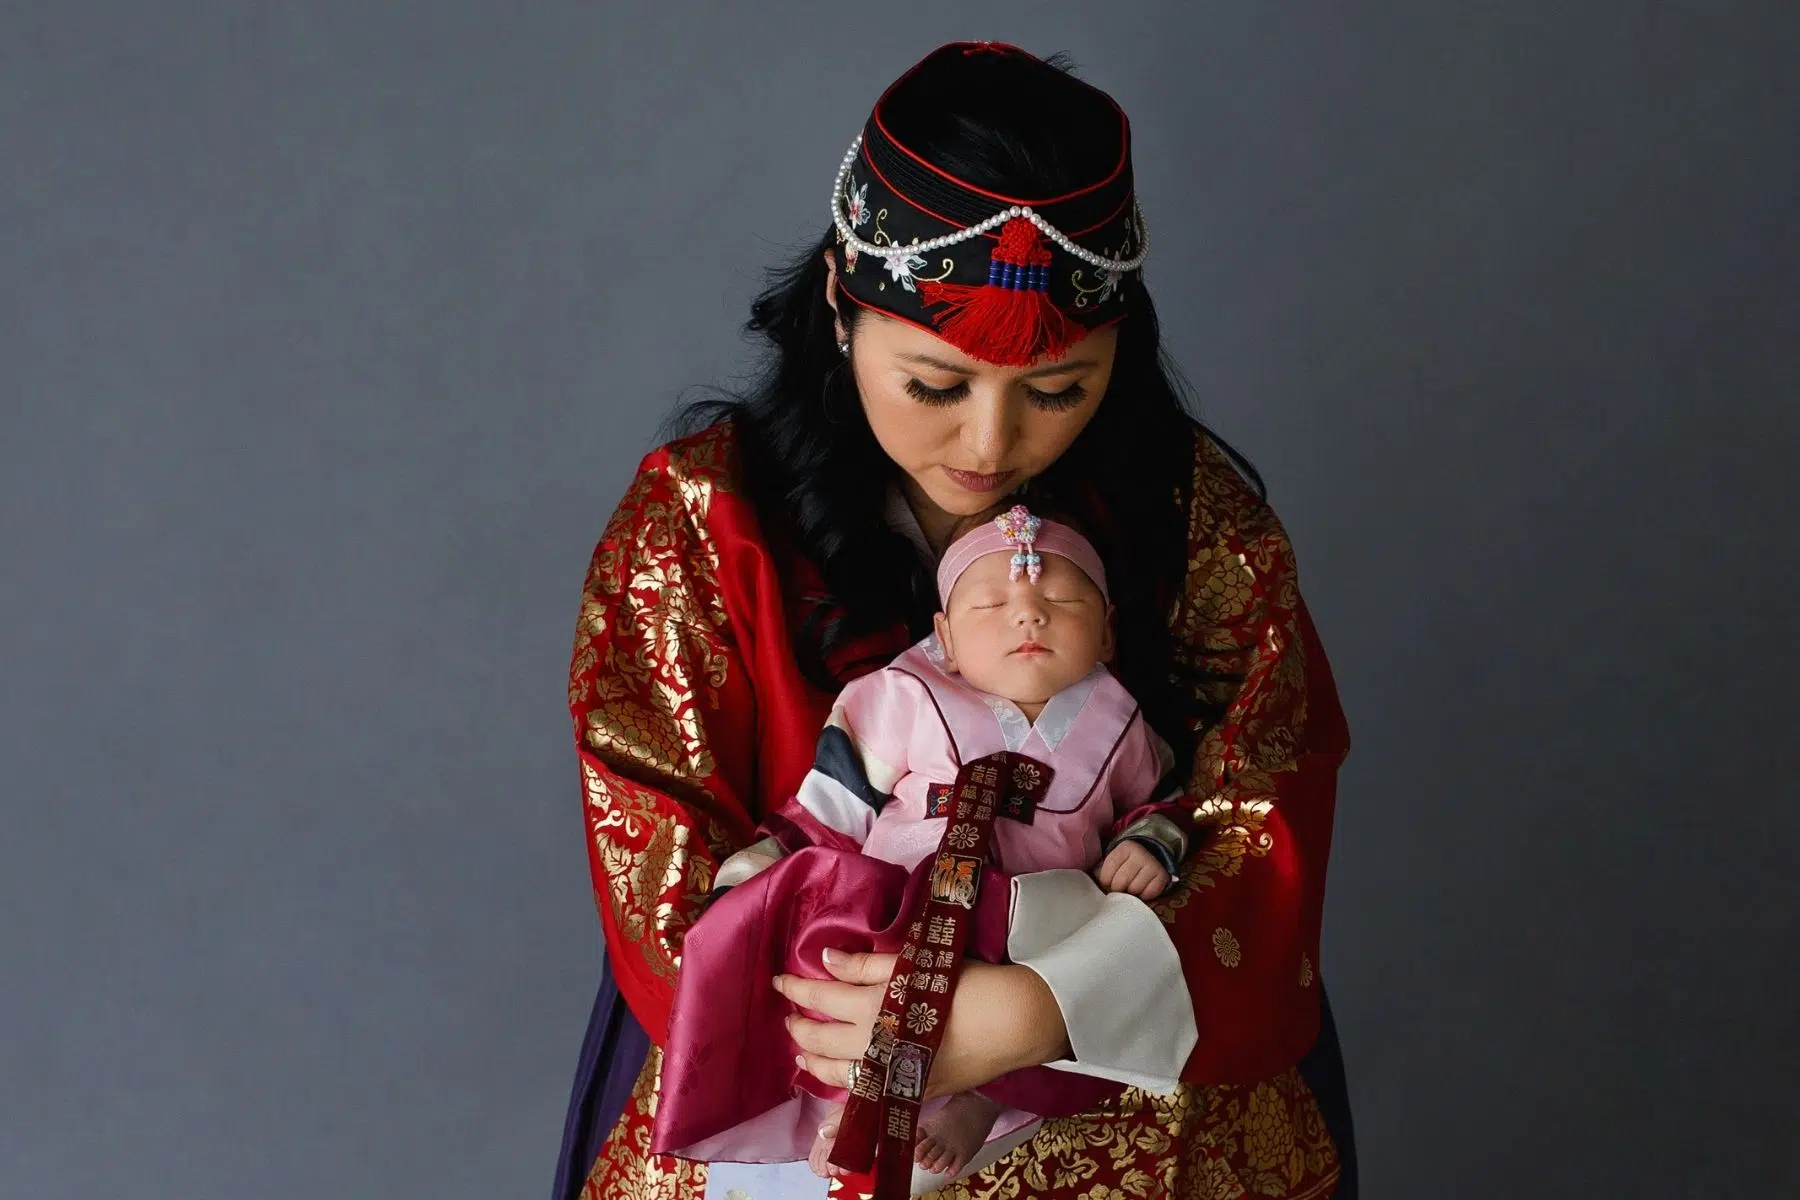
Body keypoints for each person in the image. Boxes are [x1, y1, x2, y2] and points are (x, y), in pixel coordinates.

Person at [554, 41, 1358, 1200]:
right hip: (802, 1065)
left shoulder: (1195, 524)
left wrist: (1046, 1005)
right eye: (936, 386)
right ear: (841, 304)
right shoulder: (696, 522)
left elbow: (1266, 797)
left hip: (1133, 1065)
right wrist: (886, 1021)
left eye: (1058, 391)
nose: (991, 447)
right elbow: (660, 854)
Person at [652, 508, 1194, 1189]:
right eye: (991, 603)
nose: (1028, 617)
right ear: (944, 636)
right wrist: (756, 869)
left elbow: (1163, 799)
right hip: (907, 897)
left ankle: (984, 1100)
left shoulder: (1120, 723)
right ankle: (853, 1106)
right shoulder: (905, 694)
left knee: (1072, 971)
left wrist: (1149, 841)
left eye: (1062, 600)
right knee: (846, 960)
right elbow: (831, 805)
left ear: (1108, 629)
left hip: (1033, 918)